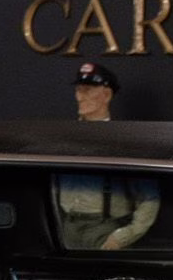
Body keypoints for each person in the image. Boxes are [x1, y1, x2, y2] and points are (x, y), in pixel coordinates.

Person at [59, 61, 160, 250]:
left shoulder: (124, 141)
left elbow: (150, 197)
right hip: (66, 229)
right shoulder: (64, 138)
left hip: (104, 229)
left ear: (106, 95)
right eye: (78, 90)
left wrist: (123, 236)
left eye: (88, 90)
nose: (80, 97)